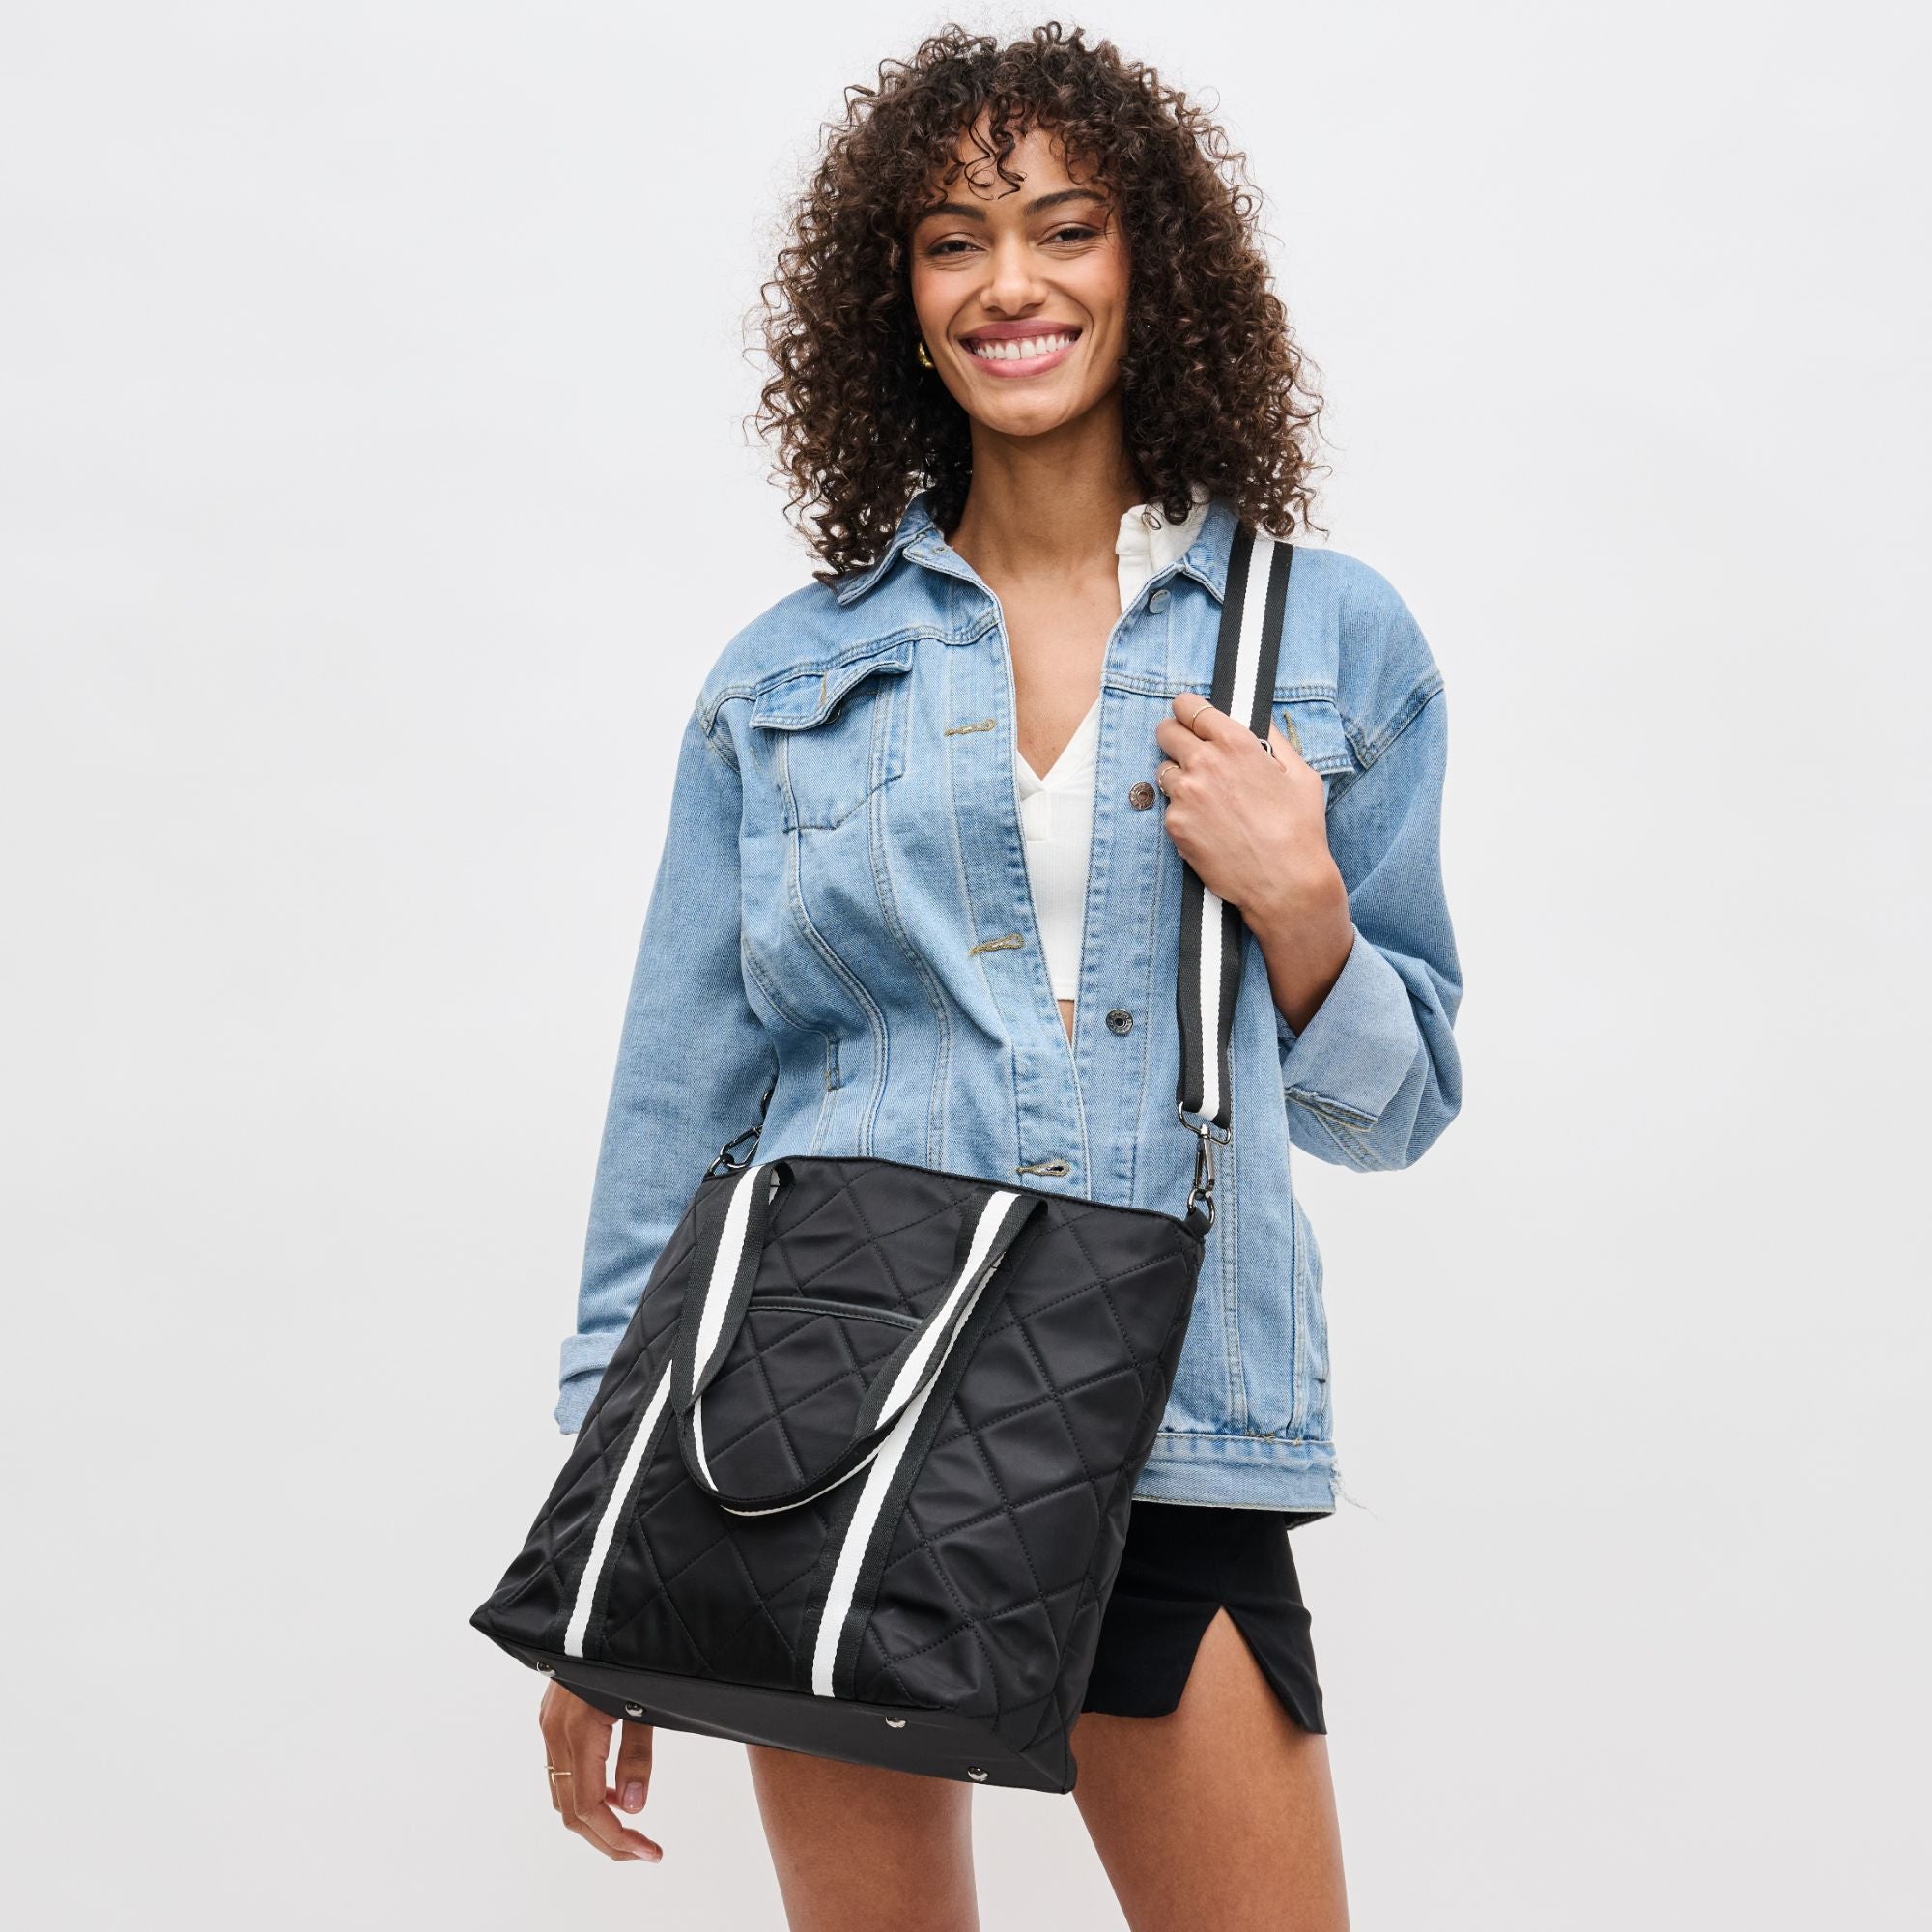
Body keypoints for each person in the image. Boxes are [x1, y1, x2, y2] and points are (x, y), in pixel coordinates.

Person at [535, 22, 1462, 1931]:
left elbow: (1396, 1111)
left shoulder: (1322, 638)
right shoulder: (785, 676)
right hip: (813, 1420)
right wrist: (605, 1549)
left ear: (1151, 263)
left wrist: (1300, 904)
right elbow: (679, 1110)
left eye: (1064, 227)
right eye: (954, 240)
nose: (1010, 284)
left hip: (1171, 1414)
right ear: (896, 297)